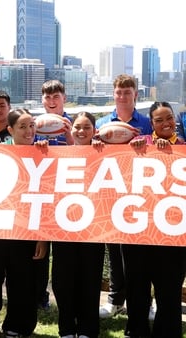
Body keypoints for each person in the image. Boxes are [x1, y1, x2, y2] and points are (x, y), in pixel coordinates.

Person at [0, 106, 49, 338]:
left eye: (32, 125)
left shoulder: (43, 155)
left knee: (23, 284)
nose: (29, 131)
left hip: (26, 233)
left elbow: (47, 200)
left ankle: (17, 327)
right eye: (23, 126)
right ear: (10, 129)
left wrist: (42, 238)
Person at [123, 101, 186, 337]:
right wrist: (135, 149)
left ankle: (167, 332)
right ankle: (136, 330)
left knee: (169, 290)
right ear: (151, 123)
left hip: (172, 233)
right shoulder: (138, 144)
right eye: (159, 120)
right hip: (139, 230)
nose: (165, 124)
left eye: (169, 118)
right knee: (137, 286)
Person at [95, 74, 153, 319]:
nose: (122, 96)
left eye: (127, 92)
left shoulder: (147, 123)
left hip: (140, 192)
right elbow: (90, 156)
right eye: (118, 92)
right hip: (111, 192)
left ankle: (145, 302)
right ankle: (116, 299)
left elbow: (157, 152)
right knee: (114, 249)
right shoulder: (101, 123)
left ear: (135, 95)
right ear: (113, 94)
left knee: (143, 251)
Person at [51, 111, 106, 338]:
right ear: (70, 130)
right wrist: (41, 150)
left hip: (94, 229)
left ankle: (87, 328)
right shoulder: (57, 155)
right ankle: (66, 327)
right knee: (63, 281)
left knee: (90, 281)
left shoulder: (106, 155)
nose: (81, 131)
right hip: (63, 228)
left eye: (86, 127)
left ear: (94, 131)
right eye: (77, 127)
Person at [34, 80, 74, 312]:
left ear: (64, 98)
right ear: (42, 100)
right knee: (38, 250)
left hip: (65, 194)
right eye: (47, 98)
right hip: (40, 192)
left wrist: (68, 135)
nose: (51, 101)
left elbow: (82, 152)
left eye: (56, 97)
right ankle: (39, 296)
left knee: (62, 254)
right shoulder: (33, 124)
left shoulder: (73, 124)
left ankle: (66, 299)